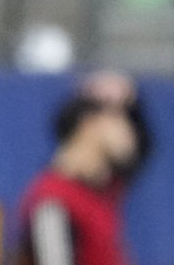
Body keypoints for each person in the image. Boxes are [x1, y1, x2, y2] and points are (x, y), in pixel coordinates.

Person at [15, 69, 151, 265]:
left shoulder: (105, 189)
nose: (128, 130)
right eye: (119, 117)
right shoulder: (52, 200)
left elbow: (144, 151)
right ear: (89, 123)